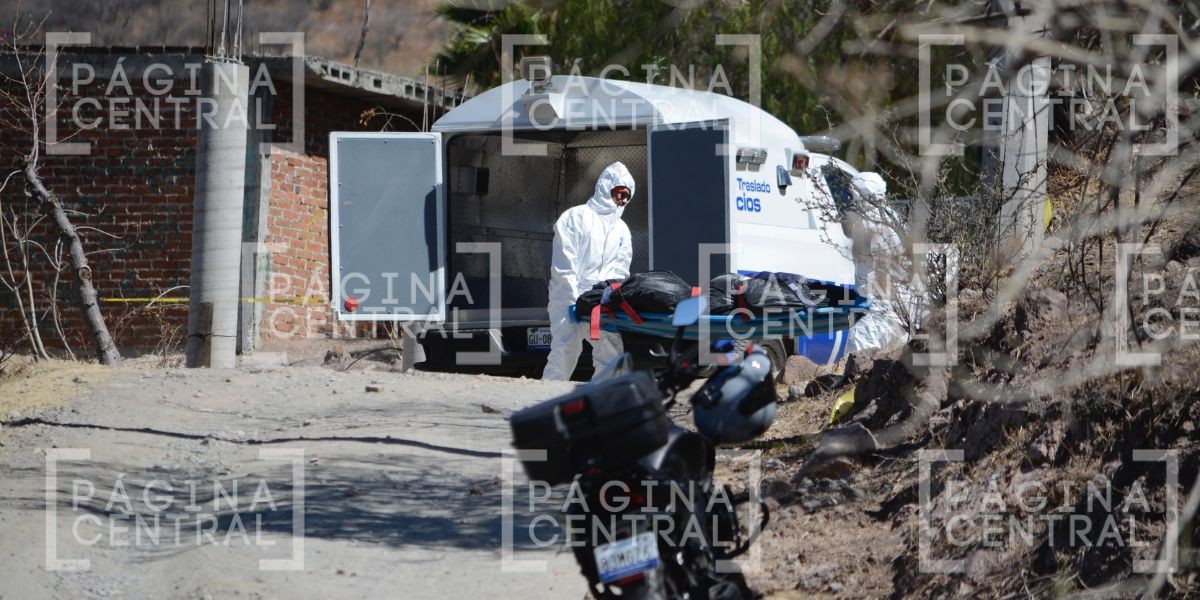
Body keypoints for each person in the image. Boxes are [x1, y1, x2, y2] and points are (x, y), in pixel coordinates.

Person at [542, 162, 635, 381]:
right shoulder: (575, 217)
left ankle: (602, 402)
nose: (622, 200)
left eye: (627, 196)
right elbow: (564, 266)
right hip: (568, 297)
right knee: (565, 351)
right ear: (606, 187)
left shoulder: (621, 229)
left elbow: (620, 272)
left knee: (611, 352)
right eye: (619, 193)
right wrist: (574, 301)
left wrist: (610, 299)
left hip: (600, 301)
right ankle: (544, 400)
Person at [841, 171, 913, 354]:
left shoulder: (869, 223)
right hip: (901, 307)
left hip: (883, 306)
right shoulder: (893, 218)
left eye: (853, 194)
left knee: (858, 345)